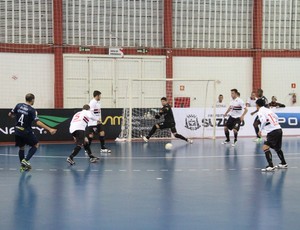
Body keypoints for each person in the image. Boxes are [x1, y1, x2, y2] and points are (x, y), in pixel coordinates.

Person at [8, 93, 57, 172]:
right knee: (36, 144)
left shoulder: (18, 105)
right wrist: (49, 129)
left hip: (17, 130)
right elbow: (37, 122)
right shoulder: (32, 110)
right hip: (25, 131)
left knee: (21, 147)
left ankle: (23, 167)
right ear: (32, 100)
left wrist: (16, 116)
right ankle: (25, 160)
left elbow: (10, 114)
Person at [256, 98, 288, 171]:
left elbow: (263, 120)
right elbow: (276, 117)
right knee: (277, 148)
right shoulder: (268, 110)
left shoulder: (260, 111)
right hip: (279, 129)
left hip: (272, 131)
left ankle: (271, 166)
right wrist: (274, 124)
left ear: (257, 105)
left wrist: (260, 131)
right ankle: (283, 163)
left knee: (265, 147)